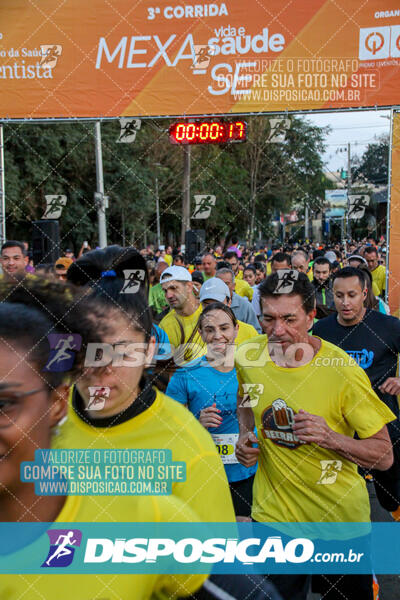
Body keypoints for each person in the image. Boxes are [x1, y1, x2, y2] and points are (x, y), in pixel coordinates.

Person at [0, 277, 208, 599]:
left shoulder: (146, 519)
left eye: (4, 404)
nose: (104, 369)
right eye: (91, 355)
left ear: (55, 404)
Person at [235, 271, 394, 600]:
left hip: (338, 523)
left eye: (290, 319)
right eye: (269, 319)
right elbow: (246, 399)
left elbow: (384, 455)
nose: (278, 331)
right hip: (274, 519)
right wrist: (247, 435)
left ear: (311, 317)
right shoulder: (248, 354)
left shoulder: (342, 371)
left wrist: (329, 437)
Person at [313, 267, 400, 518]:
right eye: (339, 296)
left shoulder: (389, 326)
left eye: (352, 295)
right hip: (339, 428)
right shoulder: (322, 330)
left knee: (390, 497)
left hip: (383, 426)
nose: (345, 302)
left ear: (364, 294)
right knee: (340, 496)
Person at [166, 302, 257, 516]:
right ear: (200, 333)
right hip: (204, 474)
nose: (217, 336)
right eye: (209, 330)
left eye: (224, 328)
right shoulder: (185, 374)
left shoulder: (254, 370)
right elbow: (169, 430)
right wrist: (196, 424)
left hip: (247, 472)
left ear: (236, 330)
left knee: (244, 536)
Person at [159, 265, 204, 362]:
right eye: (165, 290)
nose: (168, 295)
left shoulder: (210, 313)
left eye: (174, 288)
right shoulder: (164, 326)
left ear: (189, 287)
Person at [199, 277, 259, 344]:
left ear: (229, 303)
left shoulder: (249, 332)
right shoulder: (194, 332)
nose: (213, 310)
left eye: (218, 305)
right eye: (208, 305)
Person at [215, 268, 262, 333]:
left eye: (227, 283)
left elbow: (256, 332)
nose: (223, 287)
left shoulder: (245, 306)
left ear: (233, 286)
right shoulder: (208, 303)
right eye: (219, 284)